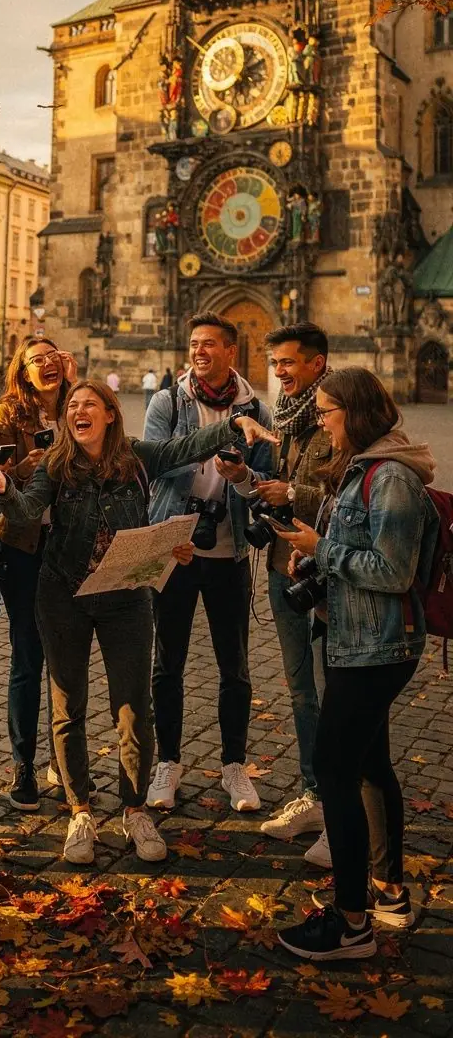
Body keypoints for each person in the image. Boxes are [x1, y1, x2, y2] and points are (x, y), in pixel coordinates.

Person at [0, 379, 276, 866]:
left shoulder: (136, 457)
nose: (78, 411)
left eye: (88, 404)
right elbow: (30, 508)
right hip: (63, 595)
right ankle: (79, 808)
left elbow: (186, 445)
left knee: (134, 709)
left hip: (125, 598)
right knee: (67, 707)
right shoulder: (55, 464)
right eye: (72, 405)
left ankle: (134, 808)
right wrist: (2, 488)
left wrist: (233, 423)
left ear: (111, 414)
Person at [276, 368, 437, 961]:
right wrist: (315, 565)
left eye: (326, 412)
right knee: (371, 765)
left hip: (375, 646)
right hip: (359, 637)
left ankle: (349, 924)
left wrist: (323, 550)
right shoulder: (368, 469)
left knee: (334, 769)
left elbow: (393, 572)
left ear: (357, 412)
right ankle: (389, 895)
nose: (321, 422)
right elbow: (363, 557)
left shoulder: (391, 476)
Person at [144, 311, 274, 815]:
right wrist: (212, 443)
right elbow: (155, 459)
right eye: (194, 343)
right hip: (175, 548)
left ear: (230, 352)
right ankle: (168, 762)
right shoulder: (167, 401)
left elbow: (263, 481)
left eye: (210, 345)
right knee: (167, 662)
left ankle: (234, 766)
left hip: (229, 550)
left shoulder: (256, 407)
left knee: (234, 665)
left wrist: (240, 475)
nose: (199, 351)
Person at [228, 324, 332, 863]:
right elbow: (270, 476)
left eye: (289, 362)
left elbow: (352, 492)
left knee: (333, 687)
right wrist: (249, 476)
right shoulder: (285, 416)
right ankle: (315, 793)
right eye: (275, 362)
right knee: (300, 690)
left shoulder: (341, 414)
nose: (280, 371)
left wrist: (294, 491)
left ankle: (342, 809)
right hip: (282, 563)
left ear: (317, 364)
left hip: (330, 570)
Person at [0, 336, 76, 810]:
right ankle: (23, 764)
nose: (47, 364)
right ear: (22, 371)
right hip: (22, 547)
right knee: (27, 659)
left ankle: (63, 759)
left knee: (64, 659)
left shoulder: (75, 405)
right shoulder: (8, 415)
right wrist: (23, 467)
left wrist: (75, 383)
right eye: (36, 360)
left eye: (53, 357)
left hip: (67, 545)